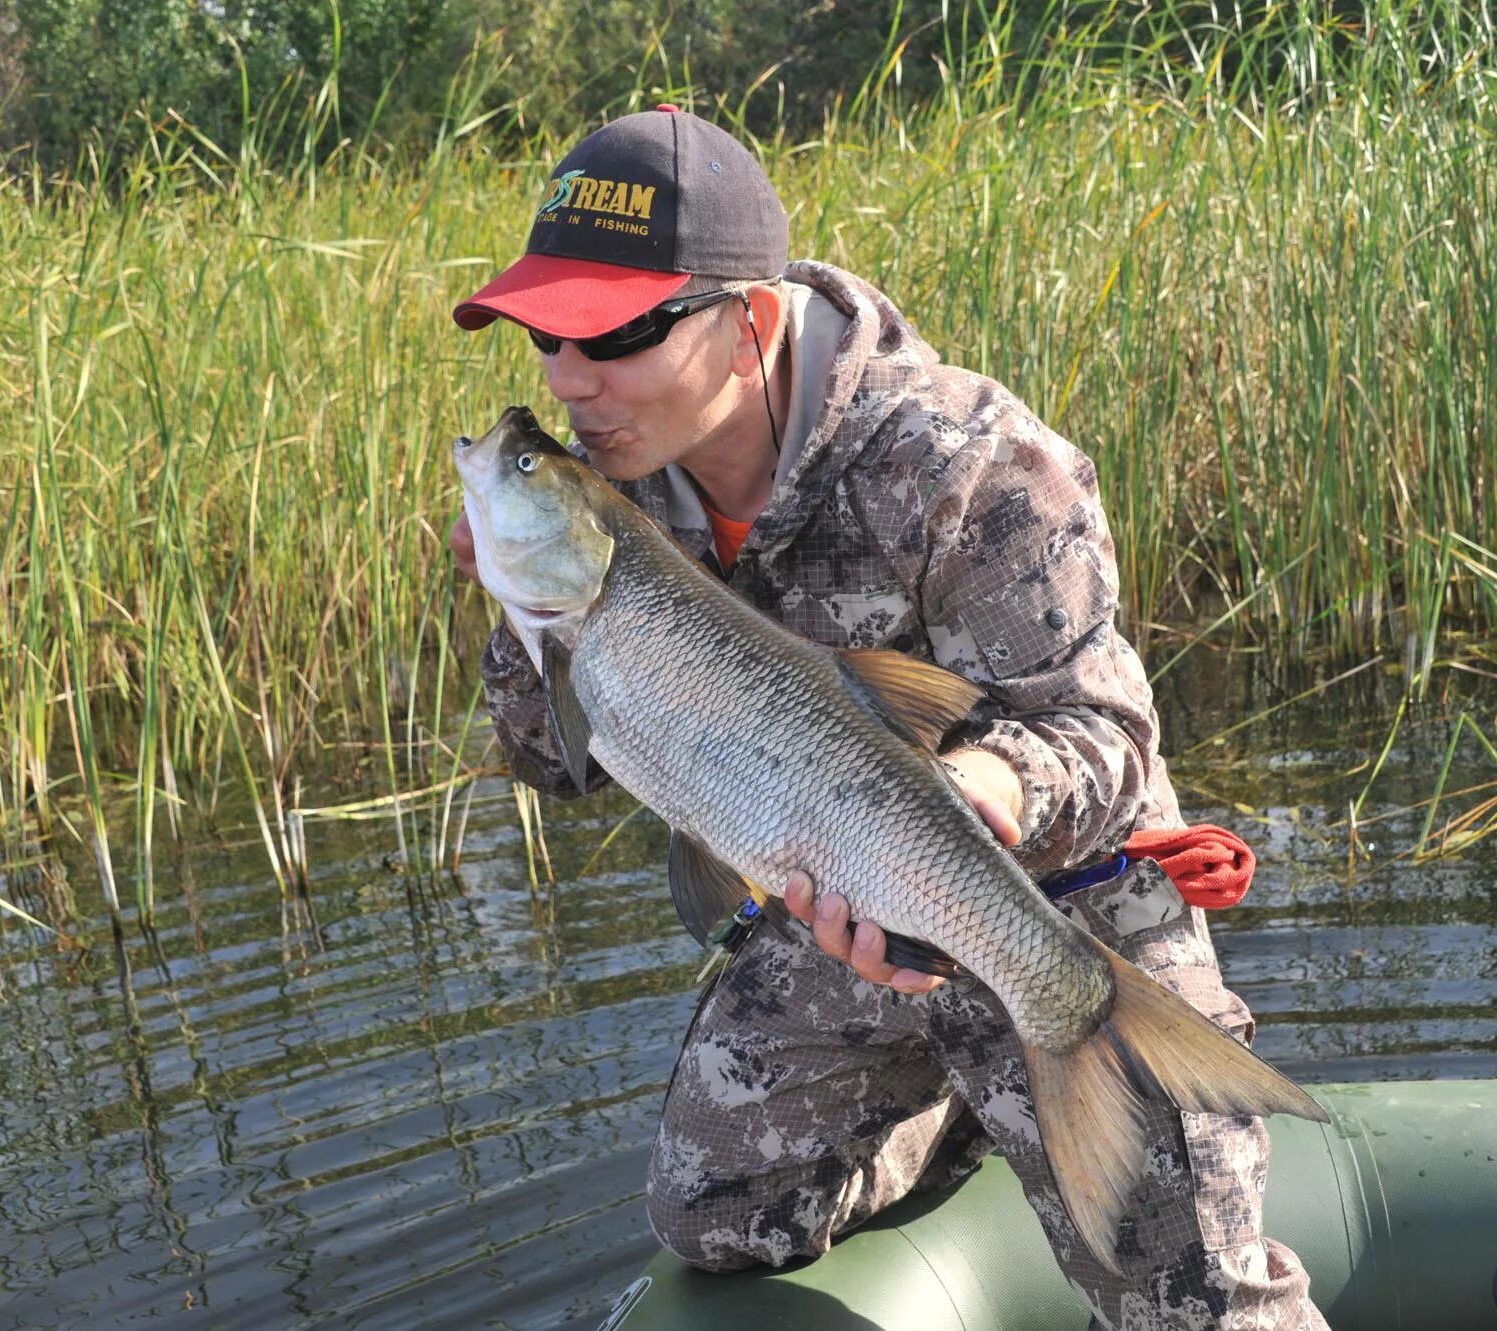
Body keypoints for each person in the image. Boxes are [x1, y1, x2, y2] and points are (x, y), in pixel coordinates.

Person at [447, 104, 1325, 1331]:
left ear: (744, 318)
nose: (563, 378)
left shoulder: (972, 461)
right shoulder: (613, 474)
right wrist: (523, 615)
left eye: (614, 333)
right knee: (713, 1216)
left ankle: (1032, 1058)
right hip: (832, 905)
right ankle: (966, 1097)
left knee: (1190, 1303)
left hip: (1062, 896)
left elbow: (1105, 736)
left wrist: (980, 793)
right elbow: (558, 765)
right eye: (545, 333)